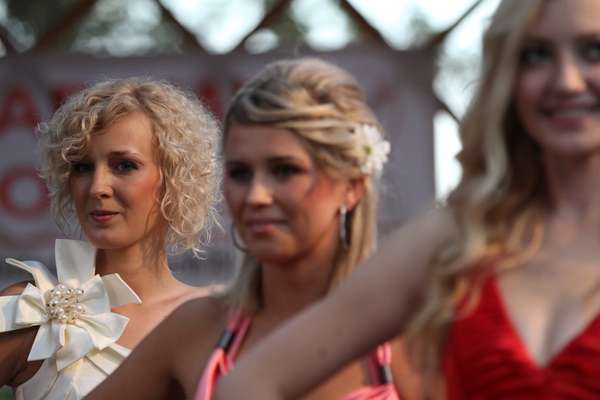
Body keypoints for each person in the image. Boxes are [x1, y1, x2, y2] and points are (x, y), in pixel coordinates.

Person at [214, 0, 600, 399]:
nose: (567, 82)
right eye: (535, 55)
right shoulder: (456, 242)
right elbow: (247, 383)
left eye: (593, 51)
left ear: (353, 184)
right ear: (507, 75)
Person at [86, 57, 421, 400]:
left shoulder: (410, 340)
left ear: (352, 186)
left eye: (285, 170)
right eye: (240, 173)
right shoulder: (196, 329)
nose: (255, 196)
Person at [0, 77, 222, 399]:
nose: (97, 187)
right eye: (82, 167)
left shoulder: (220, 317)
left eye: (124, 165)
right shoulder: (27, 310)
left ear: (174, 178)